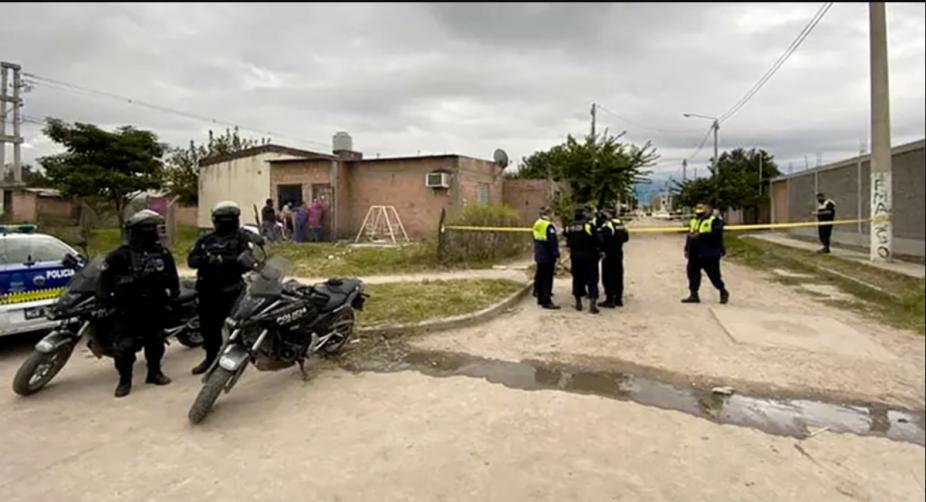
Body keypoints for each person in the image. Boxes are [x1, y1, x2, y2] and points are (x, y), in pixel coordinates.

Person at [99, 209, 179, 397]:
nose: (152, 233)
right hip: (127, 310)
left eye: (153, 228)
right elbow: (104, 282)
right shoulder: (119, 256)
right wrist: (107, 303)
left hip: (155, 308)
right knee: (124, 348)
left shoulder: (162, 253)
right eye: (148, 229)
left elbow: (172, 278)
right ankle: (124, 381)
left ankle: (154, 373)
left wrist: (172, 298)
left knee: (156, 343)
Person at [188, 201, 253, 375]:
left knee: (236, 327)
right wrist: (206, 260)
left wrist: (222, 260)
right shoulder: (205, 240)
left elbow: (247, 261)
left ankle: (235, 360)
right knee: (209, 328)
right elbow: (192, 260)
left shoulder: (241, 238)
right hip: (208, 291)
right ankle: (210, 358)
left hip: (232, 290)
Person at [681, 202, 730, 304]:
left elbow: (717, 235)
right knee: (692, 274)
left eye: (703, 207)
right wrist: (687, 249)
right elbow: (690, 235)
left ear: (709, 208)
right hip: (694, 253)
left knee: (714, 275)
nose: (700, 209)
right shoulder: (694, 220)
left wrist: (700, 236)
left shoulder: (715, 220)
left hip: (709, 252)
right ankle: (694, 295)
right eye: (698, 207)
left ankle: (722, 291)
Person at [565, 207, 600, 314]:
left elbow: (567, 239)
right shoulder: (588, 226)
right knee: (592, 280)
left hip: (575, 257)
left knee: (577, 279)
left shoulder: (570, 227)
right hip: (590, 257)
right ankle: (592, 305)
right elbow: (598, 240)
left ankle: (578, 303)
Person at [598, 209, 629, 308]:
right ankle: (618, 299)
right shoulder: (621, 224)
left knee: (608, 277)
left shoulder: (608, 225)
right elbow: (626, 238)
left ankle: (610, 299)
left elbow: (603, 240)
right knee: (618, 276)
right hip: (618, 253)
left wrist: (602, 250)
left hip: (608, 254)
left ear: (610, 215)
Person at [532, 207, 560, 310]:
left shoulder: (537, 223)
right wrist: (556, 254)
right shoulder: (548, 226)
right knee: (547, 279)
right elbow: (552, 242)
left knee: (540, 275)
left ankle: (540, 297)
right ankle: (546, 301)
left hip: (539, 254)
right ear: (549, 214)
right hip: (547, 256)